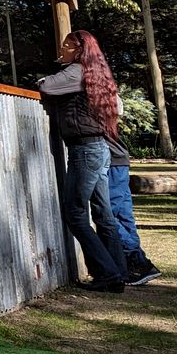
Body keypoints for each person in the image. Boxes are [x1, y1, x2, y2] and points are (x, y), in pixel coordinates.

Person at [38, 30, 128, 292]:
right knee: (103, 214)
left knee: (75, 213)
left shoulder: (76, 71)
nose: (62, 49)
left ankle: (108, 274)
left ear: (79, 50)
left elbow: (47, 86)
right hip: (99, 149)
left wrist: (44, 78)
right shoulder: (96, 72)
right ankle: (118, 271)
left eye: (67, 45)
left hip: (85, 150)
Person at [106, 133, 163, 285]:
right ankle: (136, 263)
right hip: (119, 158)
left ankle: (137, 261)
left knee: (109, 214)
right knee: (123, 216)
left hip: (112, 160)